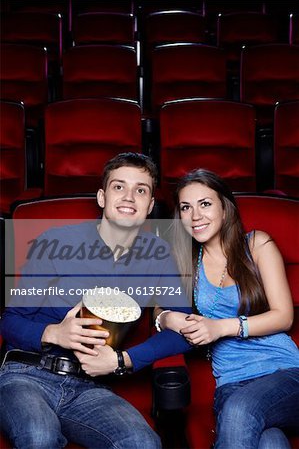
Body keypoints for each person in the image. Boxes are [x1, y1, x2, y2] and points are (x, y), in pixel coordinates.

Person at [0, 153, 192, 449]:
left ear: (150, 205)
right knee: (40, 438)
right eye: (119, 187)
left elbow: (184, 332)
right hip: (28, 374)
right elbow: (10, 320)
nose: (129, 197)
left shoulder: (159, 254)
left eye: (141, 190)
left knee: (143, 443)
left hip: (89, 386)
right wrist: (54, 333)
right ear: (102, 197)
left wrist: (121, 360)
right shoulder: (56, 243)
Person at [156, 169, 299, 449]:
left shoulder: (257, 244)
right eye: (186, 207)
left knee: (239, 411)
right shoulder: (184, 261)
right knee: (271, 443)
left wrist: (220, 327)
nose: (195, 215)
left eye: (205, 204)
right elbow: (159, 311)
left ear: (225, 208)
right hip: (231, 382)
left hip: (285, 373)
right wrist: (167, 317)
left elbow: (284, 316)